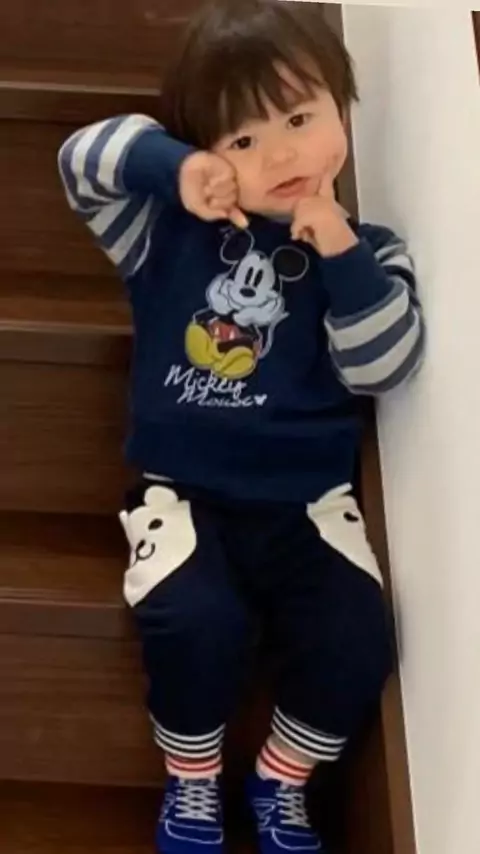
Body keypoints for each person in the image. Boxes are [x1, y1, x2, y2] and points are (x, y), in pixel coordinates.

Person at [58, 1, 425, 852]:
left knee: (357, 636)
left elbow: (383, 367)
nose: (283, 155)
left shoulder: (370, 250)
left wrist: (341, 254)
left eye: (300, 119)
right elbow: (81, 159)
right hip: (183, 493)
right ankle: (192, 780)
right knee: (195, 622)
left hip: (307, 501)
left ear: (342, 107)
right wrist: (176, 168)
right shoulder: (163, 228)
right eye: (245, 140)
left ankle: (279, 781)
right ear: (210, 152)